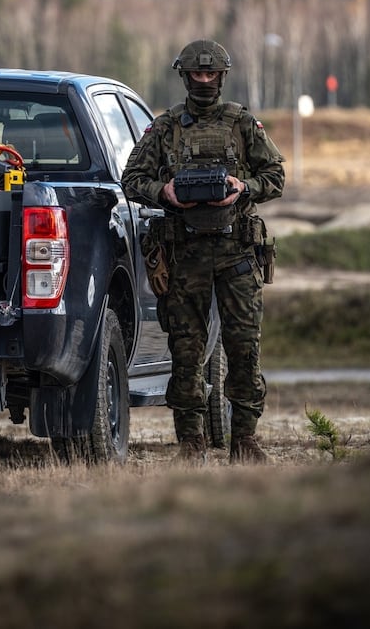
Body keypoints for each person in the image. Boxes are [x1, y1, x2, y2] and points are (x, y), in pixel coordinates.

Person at [121, 40, 285, 465]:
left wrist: (242, 188)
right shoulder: (167, 127)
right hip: (185, 256)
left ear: (222, 76)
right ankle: (191, 444)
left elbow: (276, 175)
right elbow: (131, 178)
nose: (204, 80)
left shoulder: (243, 123)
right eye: (197, 73)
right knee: (186, 353)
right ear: (185, 76)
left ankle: (244, 440)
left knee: (244, 349)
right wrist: (167, 192)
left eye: (211, 74)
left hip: (236, 253)